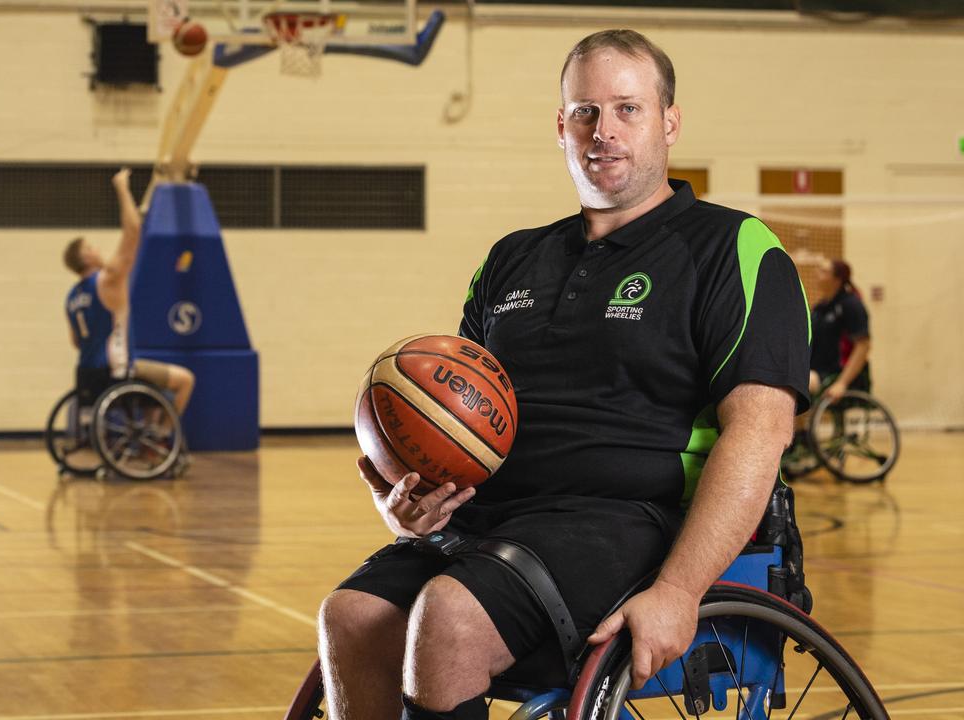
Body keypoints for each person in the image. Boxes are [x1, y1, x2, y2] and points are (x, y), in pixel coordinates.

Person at [317, 29, 811, 720]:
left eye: (627, 109)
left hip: (631, 521)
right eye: (585, 111)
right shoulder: (512, 259)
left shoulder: (733, 248)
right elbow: (459, 429)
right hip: (495, 521)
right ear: (561, 125)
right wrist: (411, 503)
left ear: (669, 122)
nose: (602, 130)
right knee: (350, 615)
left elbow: (760, 433)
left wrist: (678, 590)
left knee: (449, 616)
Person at [62, 168, 195, 470]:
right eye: (91, 247)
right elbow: (133, 231)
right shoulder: (107, 280)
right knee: (185, 380)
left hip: (89, 374)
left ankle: (147, 437)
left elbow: (74, 341)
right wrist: (122, 187)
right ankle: (160, 438)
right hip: (119, 371)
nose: (97, 248)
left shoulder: (71, 297)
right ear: (87, 259)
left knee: (152, 381)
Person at [807, 258, 871, 401]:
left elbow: (863, 346)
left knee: (796, 385)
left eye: (823, 271)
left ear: (837, 279)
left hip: (835, 373)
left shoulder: (851, 305)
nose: (816, 274)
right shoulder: (819, 308)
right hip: (815, 370)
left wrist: (842, 383)